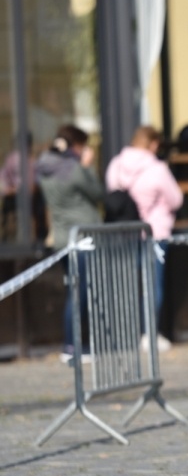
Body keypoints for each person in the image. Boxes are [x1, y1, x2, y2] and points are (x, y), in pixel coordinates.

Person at [105, 124, 184, 350]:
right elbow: (176, 199)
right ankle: (149, 334)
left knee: (126, 285)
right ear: (154, 144)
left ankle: (124, 335)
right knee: (153, 286)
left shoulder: (116, 165)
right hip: (154, 233)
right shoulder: (157, 169)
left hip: (123, 235)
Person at [36, 124, 104, 363]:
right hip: (82, 239)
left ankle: (73, 345)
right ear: (75, 145)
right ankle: (73, 347)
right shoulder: (74, 169)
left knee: (74, 291)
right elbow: (97, 193)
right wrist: (87, 168)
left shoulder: (45, 168)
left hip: (62, 238)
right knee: (79, 294)